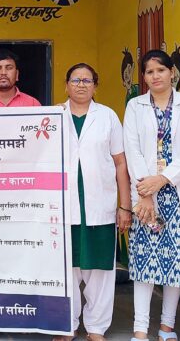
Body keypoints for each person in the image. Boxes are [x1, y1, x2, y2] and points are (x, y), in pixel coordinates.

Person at [122, 49, 180, 341]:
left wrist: (163, 178)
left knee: (176, 263)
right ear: (144, 77)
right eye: (149, 71)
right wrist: (145, 192)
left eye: (160, 70)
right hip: (146, 193)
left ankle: (167, 328)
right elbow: (132, 149)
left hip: (179, 193)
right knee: (144, 263)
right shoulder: (135, 106)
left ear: (172, 72)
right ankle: (140, 330)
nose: (155, 76)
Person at [52, 64, 131, 341]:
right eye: (76, 80)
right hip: (63, 206)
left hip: (100, 206)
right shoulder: (54, 116)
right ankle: (68, 325)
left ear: (95, 86)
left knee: (100, 270)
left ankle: (96, 328)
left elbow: (120, 163)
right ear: (66, 85)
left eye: (87, 81)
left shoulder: (107, 116)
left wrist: (124, 206)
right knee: (66, 269)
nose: (81, 85)